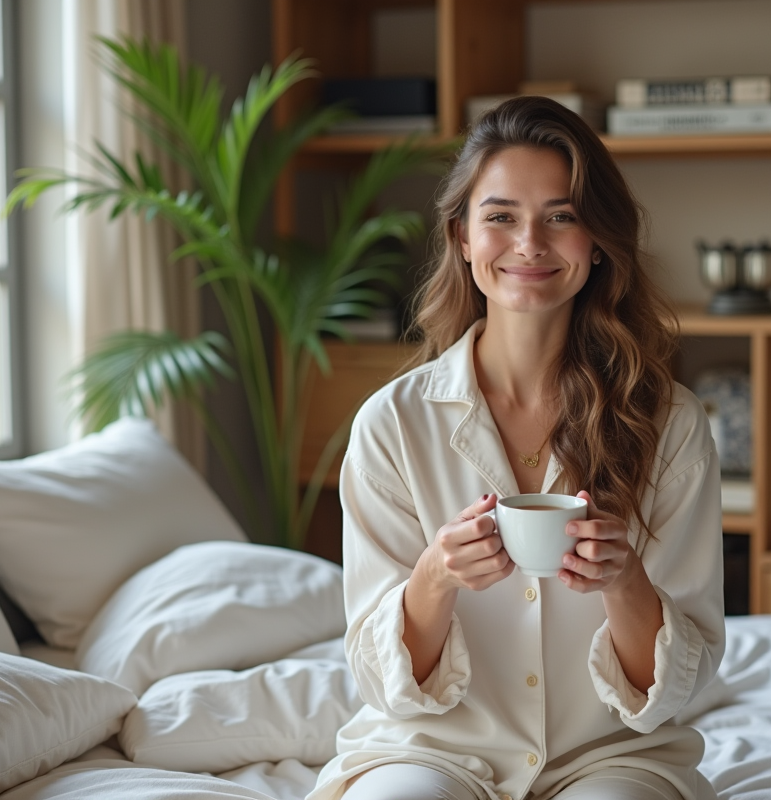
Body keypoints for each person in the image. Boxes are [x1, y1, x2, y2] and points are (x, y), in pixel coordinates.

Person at [309, 96, 725, 800]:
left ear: (597, 241)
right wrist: (435, 576)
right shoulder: (392, 424)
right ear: (463, 237)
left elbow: (674, 687)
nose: (530, 242)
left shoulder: (670, 423)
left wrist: (625, 583)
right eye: (500, 216)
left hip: (609, 758)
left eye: (561, 216)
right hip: (431, 752)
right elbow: (382, 682)